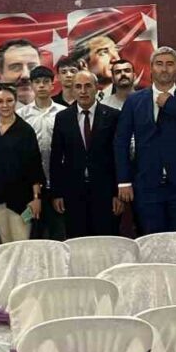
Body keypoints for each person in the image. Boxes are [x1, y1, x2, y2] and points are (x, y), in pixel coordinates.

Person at [115, 47, 176, 233]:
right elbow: (121, 142)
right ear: (151, 68)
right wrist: (124, 181)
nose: (164, 69)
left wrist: (171, 104)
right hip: (147, 185)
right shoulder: (134, 100)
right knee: (151, 239)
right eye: (159, 64)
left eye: (170, 64)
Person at [49, 71, 123, 238]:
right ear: (73, 90)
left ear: (96, 88)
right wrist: (57, 193)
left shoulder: (112, 116)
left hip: (105, 193)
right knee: (78, 241)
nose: (83, 91)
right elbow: (56, 158)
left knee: (106, 241)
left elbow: (118, 157)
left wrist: (117, 193)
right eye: (78, 86)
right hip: (73, 193)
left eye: (88, 86)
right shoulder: (62, 118)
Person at [0, 84, 45, 243]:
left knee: (22, 243)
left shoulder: (25, 131)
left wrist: (36, 198)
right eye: (0, 101)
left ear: (16, 101)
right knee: (5, 244)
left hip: (22, 199)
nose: (5, 105)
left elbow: (35, 167)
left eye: (9, 100)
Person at [18, 67, 67, 239]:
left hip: (59, 181)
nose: (41, 86)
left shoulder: (63, 113)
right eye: (37, 82)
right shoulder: (22, 115)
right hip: (32, 183)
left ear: (53, 85)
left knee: (59, 232)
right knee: (34, 233)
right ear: (31, 85)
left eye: (46, 82)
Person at [0, 39, 41, 107]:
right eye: (16, 67)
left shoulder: (57, 111)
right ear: (0, 77)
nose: (26, 75)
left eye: (33, 67)